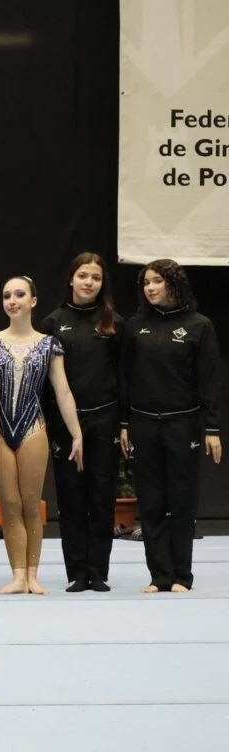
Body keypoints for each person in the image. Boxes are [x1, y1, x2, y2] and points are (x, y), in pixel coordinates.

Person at [120, 259, 222, 593]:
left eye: (157, 282)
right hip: (144, 424)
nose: (150, 288)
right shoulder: (135, 327)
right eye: (146, 282)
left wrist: (212, 428)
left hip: (183, 425)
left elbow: (209, 380)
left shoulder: (199, 325)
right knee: (150, 502)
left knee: (181, 500)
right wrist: (124, 424)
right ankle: (159, 575)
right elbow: (125, 379)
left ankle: (182, 575)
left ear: (173, 284)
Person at [0, 276, 84, 596]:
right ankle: (17, 575)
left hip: (33, 429)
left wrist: (76, 433)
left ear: (33, 301)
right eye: (6, 295)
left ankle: (33, 575)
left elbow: (63, 391)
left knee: (30, 505)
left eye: (19, 295)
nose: (12, 300)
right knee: (9, 505)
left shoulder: (49, 344)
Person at [40, 253, 124, 592]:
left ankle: (98, 571)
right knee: (71, 497)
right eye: (83, 275)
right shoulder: (53, 323)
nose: (89, 282)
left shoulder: (114, 323)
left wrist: (124, 422)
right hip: (64, 422)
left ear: (102, 284)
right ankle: (76, 571)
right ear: (71, 279)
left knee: (101, 496)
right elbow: (46, 382)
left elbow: (124, 375)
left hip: (104, 419)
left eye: (96, 277)